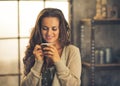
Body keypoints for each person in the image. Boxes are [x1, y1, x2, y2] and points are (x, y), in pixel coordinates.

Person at [21, 8, 82, 86]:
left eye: (54, 29)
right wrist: (38, 63)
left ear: (61, 29)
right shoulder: (34, 50)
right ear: (39, 29)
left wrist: (58, 61)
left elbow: (74, 84)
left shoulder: (72, 51)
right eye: (45, 28)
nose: (49, 33)